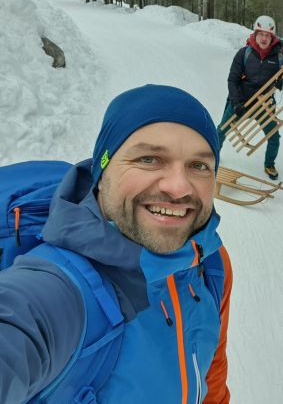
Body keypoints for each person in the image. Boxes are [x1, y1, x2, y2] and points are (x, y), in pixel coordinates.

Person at [0, 85, 232, 404]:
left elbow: (211, 373)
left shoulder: (210, 263)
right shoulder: (57, 291)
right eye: (149, 159)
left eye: (199, 165)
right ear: (103, 170)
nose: (179, 187)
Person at [217, 15, 283, 180]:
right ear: (255, 35)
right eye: (261, 34)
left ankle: (269, 164)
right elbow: (232, 80)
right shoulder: (244, 53)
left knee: (274, 137)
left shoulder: (279, 57)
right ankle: (212, 154)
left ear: (272, 37)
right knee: (222, 130)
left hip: (264, 104)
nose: (264, 38)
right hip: (242, 101)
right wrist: (236, 102)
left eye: (267, 35)